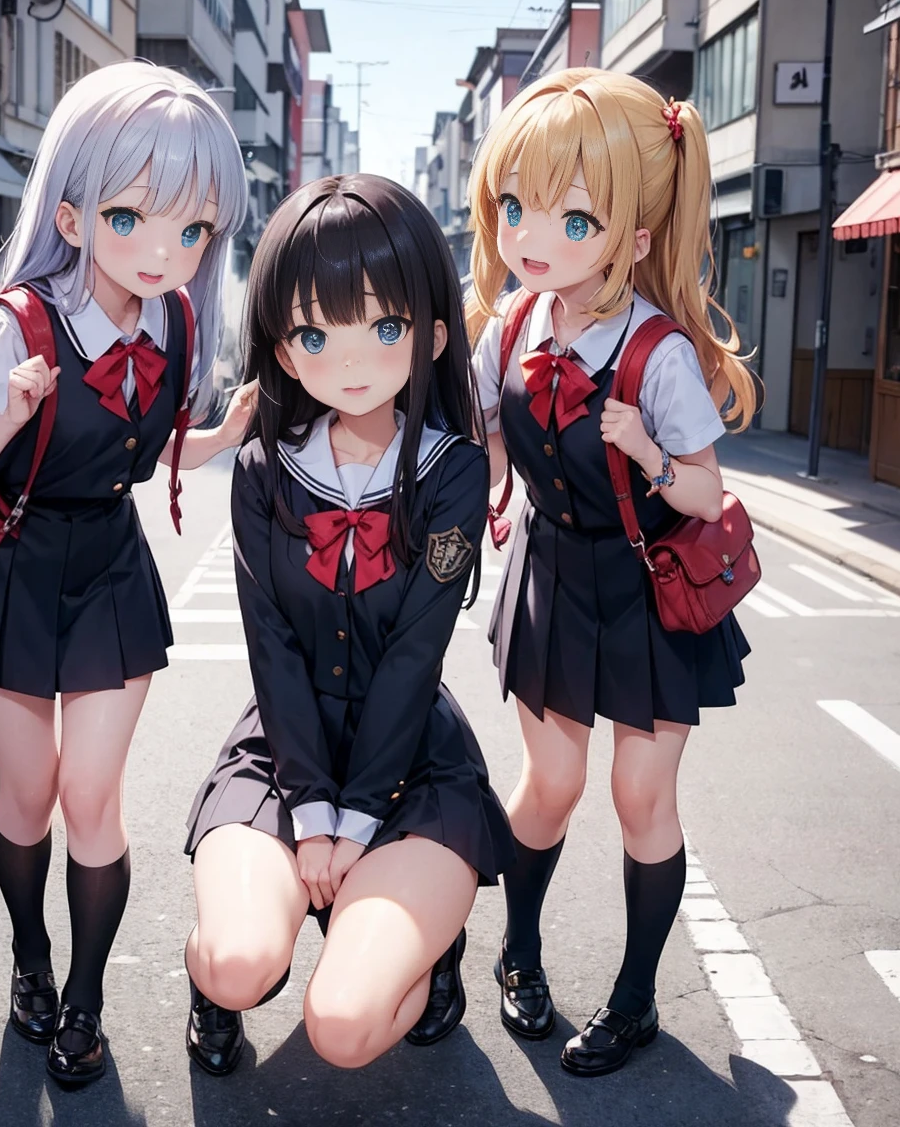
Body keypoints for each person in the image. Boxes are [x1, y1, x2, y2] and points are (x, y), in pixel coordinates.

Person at [0, 62, 253, 1087]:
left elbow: (145, 454)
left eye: (192, 230)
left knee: (92, 794)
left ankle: (86, 1004)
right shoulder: (18, 324)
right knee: (31, 793)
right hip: (7, 569)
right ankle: (30, 960)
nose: (165, 251)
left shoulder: (177, 324)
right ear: (70, 213)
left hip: (107, 566)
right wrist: (8, 417)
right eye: (133, 217)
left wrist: (224, 433)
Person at [182, 173, 516, 1075]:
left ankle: (427, 947)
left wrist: (356, 816)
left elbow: (416, 652)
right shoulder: (262, 471)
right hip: (283, 753)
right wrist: (311, 808)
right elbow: (272, 648)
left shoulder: (449, 473)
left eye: (386, 326)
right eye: (316, 333)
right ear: (286, 353)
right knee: (239, 964)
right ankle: (208, 980)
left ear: (432, 334)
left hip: (410, 763)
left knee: (344, 1028)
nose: (353, 358)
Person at [466, 68, 757, 1078]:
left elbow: (709, 498)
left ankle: (634, 1000)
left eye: (569, 217)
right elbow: (486, 452)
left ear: (633, 239)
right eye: (515, 206)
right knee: (549, 785)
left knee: (641, 797)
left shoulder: (659, 357)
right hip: (551, 573)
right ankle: (518, 952)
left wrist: (644, 451)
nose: (531, 235)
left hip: (643, 588)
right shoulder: (507, 331)